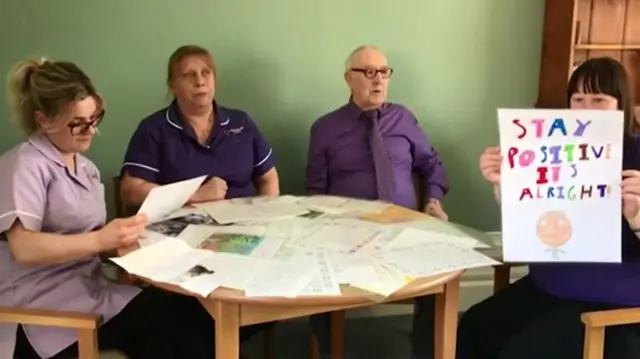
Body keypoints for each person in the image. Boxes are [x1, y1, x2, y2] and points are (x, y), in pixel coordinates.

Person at [0, 58, 259, 359]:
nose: (91, 131)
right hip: (43, 314)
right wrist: (102, 240)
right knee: (175, 321)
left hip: (92, 292)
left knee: (180, 324)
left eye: (95, 118)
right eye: (78, 123)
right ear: (43, 120)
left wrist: (130, 251)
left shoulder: (85, 168)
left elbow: (89, 241)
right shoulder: (24, 165)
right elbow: (25, 248)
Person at [464, 57, 640, 359]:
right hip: (553, 280)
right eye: (578, 99)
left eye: (598, 100)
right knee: (472, 329)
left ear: (620, 105)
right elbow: (533, 222)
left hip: (613, 293)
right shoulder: (553, 149)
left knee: (522, 352)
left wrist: (637, 218)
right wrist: (504, 184)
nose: (586, 110)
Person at [305, 45, 449, 359]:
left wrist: (433, 201)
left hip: (405, 229)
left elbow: (431, 164)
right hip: (347, 233)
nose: (378, 80)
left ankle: (425, 354)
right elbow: (314, 191)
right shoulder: (325, 129)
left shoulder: (404, 119)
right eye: (369, 73)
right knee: (317, 272)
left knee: (441, 275)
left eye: (384, 72)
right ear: (348, 79)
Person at [120, 45, 279, 206]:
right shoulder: (153, 129)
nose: (200, 81)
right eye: (189, 75)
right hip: (181, 226)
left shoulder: (241, 122)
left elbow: (268, 178)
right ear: (172, 85)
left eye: (206, 73)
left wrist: (264, 218)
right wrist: (193, 195)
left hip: (244, 224)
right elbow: (131, 190)